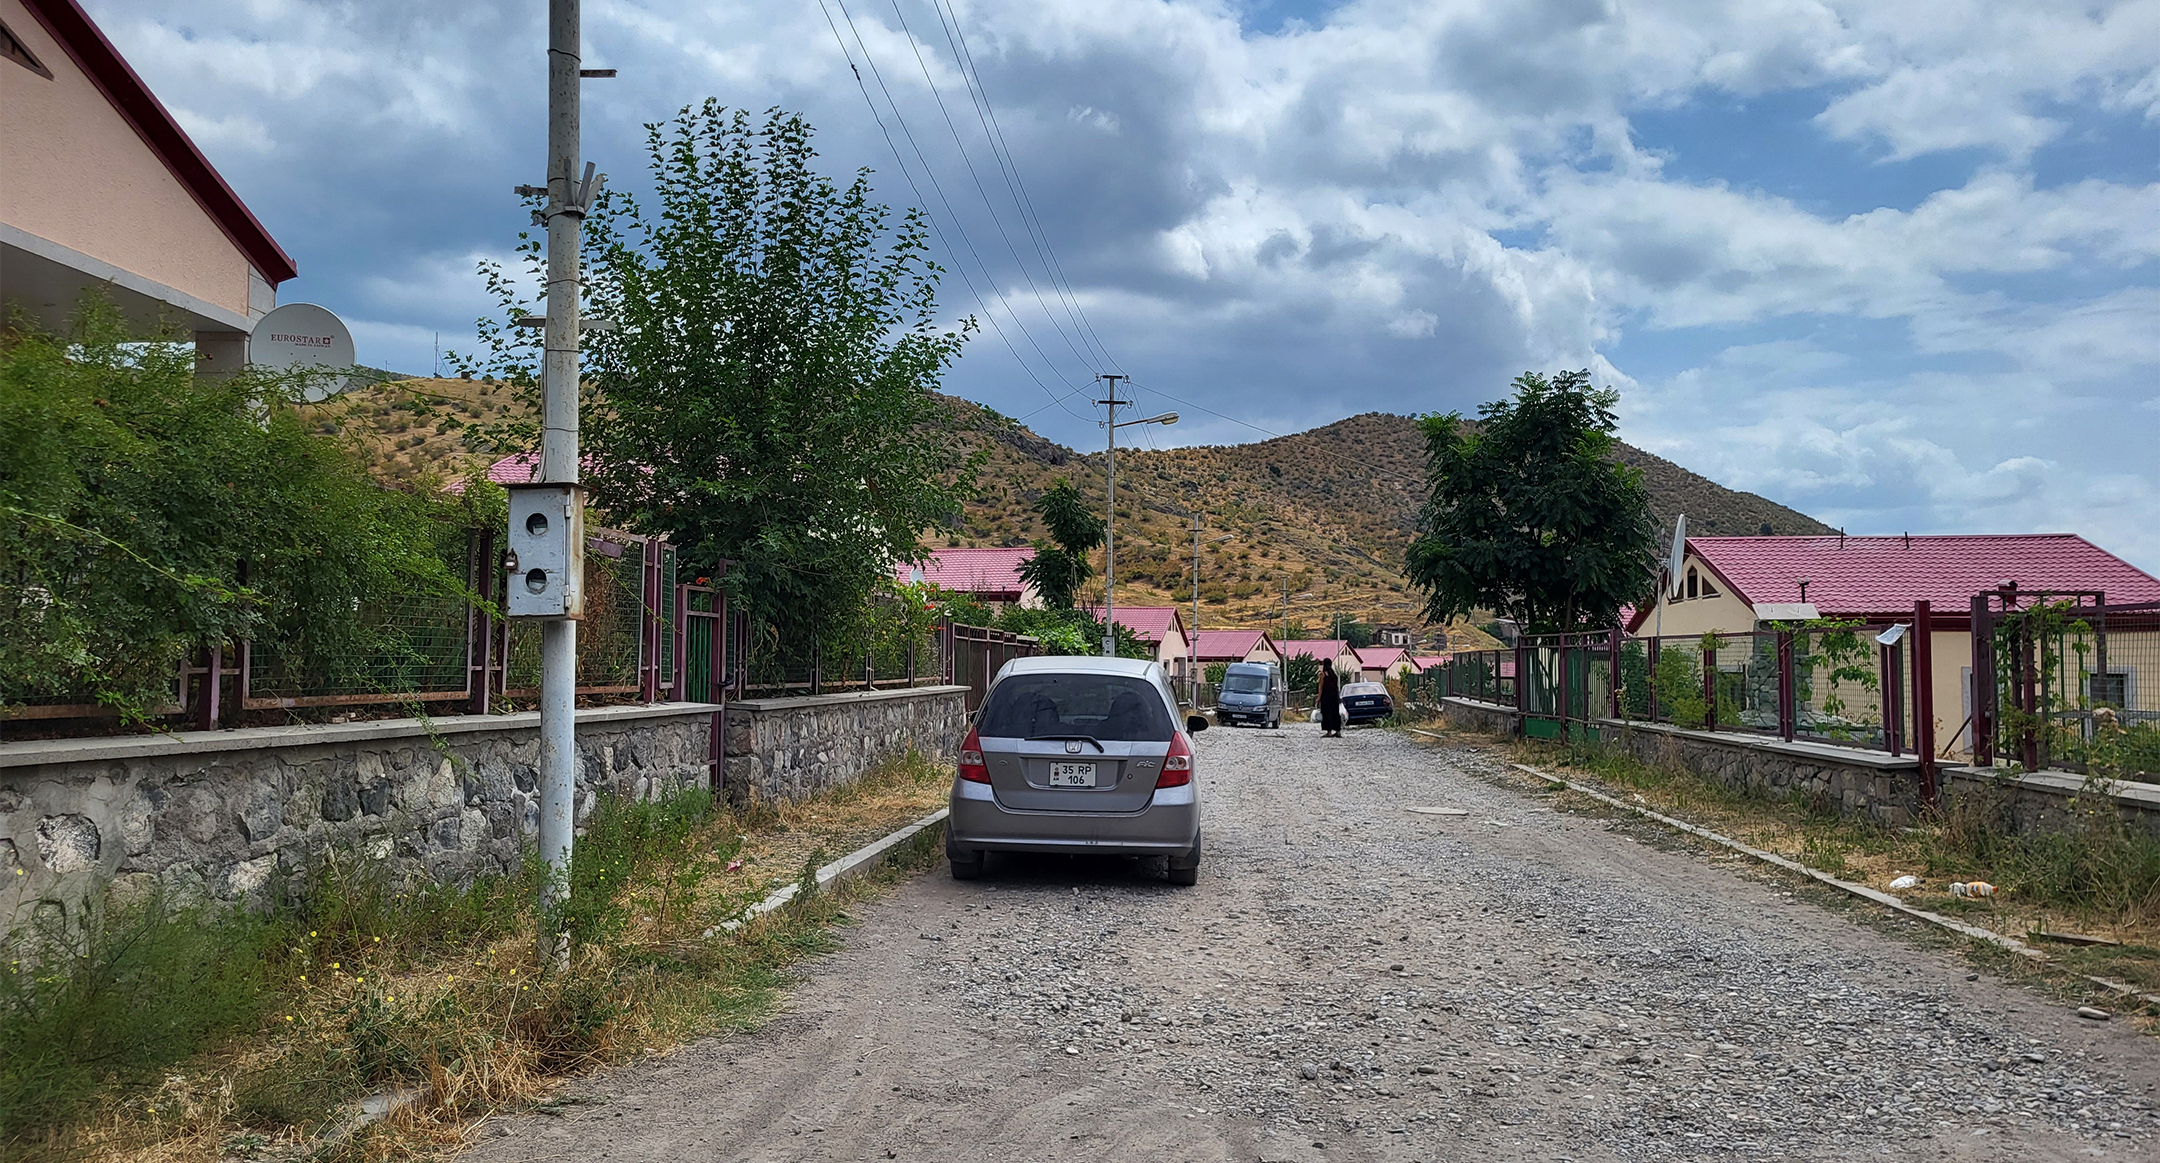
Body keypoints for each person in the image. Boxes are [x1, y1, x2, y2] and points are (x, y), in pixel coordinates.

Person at [1317, 664, 1342, 737]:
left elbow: (1321, 687)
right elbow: (1336, 687)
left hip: (1326, 696)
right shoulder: (1334, 675)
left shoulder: (1323, 674)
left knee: (1327, 713)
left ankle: (1329, 731)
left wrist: (1319, 698)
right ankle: (1338, 730)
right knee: (1335, 713)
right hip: (1334, 696)